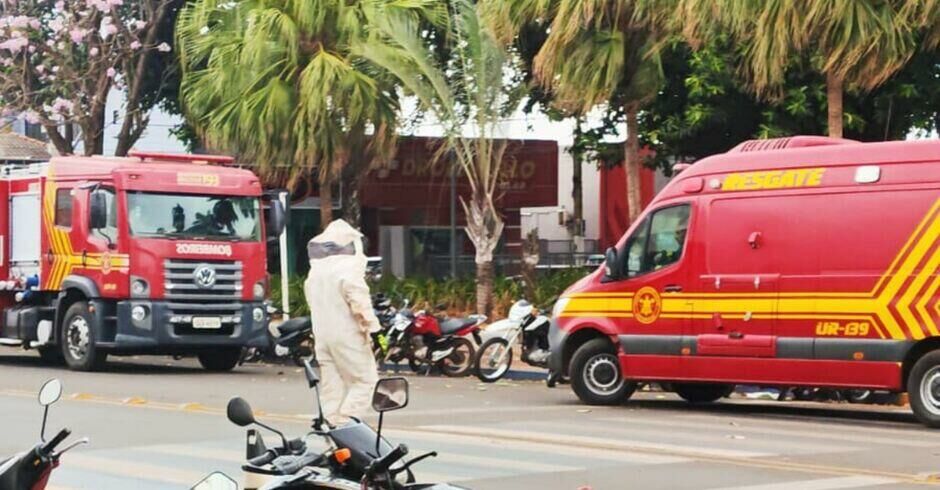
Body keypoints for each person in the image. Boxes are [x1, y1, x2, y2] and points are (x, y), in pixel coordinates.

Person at [304, 219, 380, 424]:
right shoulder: (347, 271)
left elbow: (311, 302)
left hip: (322, 337)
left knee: (332, 388)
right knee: (365, 381)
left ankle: (331, 432)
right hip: (347, 335)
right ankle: (347, 426)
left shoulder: (315, 273)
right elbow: (360, 304)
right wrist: (373, 329)